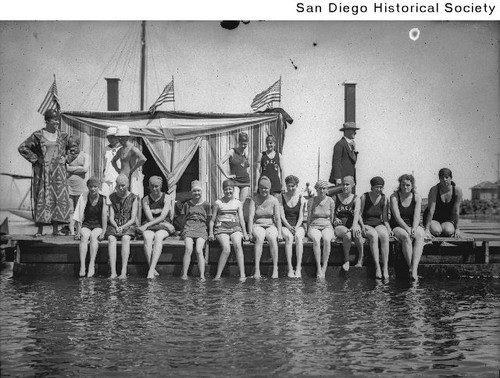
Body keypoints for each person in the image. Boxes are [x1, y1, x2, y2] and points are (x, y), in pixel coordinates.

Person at [18, 109, 72, 237]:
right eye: (54, 120)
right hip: (43, 173)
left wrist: (67, 158)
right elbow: (23, 148)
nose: (57, 122)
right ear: (47, 120)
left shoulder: (63, 136)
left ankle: (55, 230)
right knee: (42, 199)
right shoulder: (37, 135)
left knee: (57, 200)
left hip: (58, 174)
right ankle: (40, 231)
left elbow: (74, 148)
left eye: (58, 120)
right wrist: (36, 159)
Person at [209, 179, 248, 281]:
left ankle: (242, 274)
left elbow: (241, 219)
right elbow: (212, 220)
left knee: (238, 246)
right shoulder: (218, 203)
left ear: (233, 190)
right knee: (226, 249)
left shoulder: (238, 203)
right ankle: (218, 275)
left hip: (235, 227)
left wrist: (245, 233)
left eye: (230, 189)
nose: (228, 192)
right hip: (221, 228)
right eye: (226, 189)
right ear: (223, 190)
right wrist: (211, 233)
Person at [136, 176, 175, 279]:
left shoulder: (166, 197)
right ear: (149, 186)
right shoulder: (146, 199)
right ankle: (152, 269)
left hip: (159, 224)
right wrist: (165, 224)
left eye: (156, 186)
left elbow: (163, 216)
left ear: (161, 186)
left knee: (158, 236)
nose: (154, 189)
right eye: (152, 186)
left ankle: (151, 270)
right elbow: (150, 218)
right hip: (152, 224)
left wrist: (145, 226)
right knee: (147, 237)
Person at [390, 174, 426, 281]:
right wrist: (407, 228)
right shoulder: (394, 197)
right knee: (406, 236)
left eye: (408, 185)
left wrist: (414, 228)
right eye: (403, 185)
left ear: (412, 185)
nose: (405, 187)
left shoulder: (417, 197)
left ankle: (414, 269)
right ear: (400, 185)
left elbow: (416, 215)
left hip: (413, 224)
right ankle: (411, 268)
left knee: (419, 234)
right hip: (398, 225)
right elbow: (397, 217)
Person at [248, 176, 283, 279]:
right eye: (262, 187)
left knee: (272, 238)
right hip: (258, 224)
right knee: (260, 237)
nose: (264, 190)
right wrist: (250, 233)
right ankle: (257, 269)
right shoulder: (254, 200)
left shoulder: (274, 200)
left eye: (266, 188)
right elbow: (250, 218)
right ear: (259, 188)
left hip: (271, 225)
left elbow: (277, 218)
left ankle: (275, 268)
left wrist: (280, 233)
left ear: (269, 188)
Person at [73, 177, 107, 278]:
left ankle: (91, 264)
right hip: (87, 224)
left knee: (93, 236)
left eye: (95, 187)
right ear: (88, 187)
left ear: (98, 187)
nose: (93, 189)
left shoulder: (103, 198)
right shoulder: (84, 197)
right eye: (91, 187)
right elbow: (79, 215)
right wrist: (78, 232)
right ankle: (82, 266)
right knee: (84, 236)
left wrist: (103, 232)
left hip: (98, 225)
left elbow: (104, 216)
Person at [106, 174, 139, 279]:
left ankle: (123, 271)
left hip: (128, 224)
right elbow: (111, 217)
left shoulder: (134, 198)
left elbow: (133, 218)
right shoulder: (112, 197)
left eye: (123, 185)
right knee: (111, 239)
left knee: (125, 238)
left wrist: (123, 226)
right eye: (119, 185)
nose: (121, 188)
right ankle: (113, 271)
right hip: (115, 224)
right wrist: (116, 226)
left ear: (128, 184)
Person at [359, 176, 392, 280]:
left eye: (381, 187)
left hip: (378, 223)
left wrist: (389, 229)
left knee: (384, 235)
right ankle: (377, 267)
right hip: (365, 223)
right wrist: (362, 226)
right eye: (377, 187)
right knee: (373, 235)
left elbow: (385, 218)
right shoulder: (364, 197)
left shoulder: (384, 199)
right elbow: (359, 214)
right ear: (372, 187)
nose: (379, 189)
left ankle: (385, 267)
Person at [180, 180, 211, 280]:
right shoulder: (187, 204)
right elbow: (184, 219)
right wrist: (182, 231)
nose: (197, 193)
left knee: (198, 249)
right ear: (191, 192)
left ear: (201, 192)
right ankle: (184, 274)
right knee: (189, 248)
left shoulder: (206, 205)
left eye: (198, 191)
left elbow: (209, 220)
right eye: (194, 191)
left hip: (201, 228)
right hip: (189, 227)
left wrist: (210, 232)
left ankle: (202, 275)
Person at [333, 176, 364, 272]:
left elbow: (356, 212)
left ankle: (360, 258)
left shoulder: (356, 198)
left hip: (352, 223)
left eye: (347, 184)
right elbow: (331, 213)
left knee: (357, 234)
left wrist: (355, 225)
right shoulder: (335, 197)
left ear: (352, 186)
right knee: (348, 235)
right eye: (343, 184)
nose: (345, 187)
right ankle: (346, 260)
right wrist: (335, 218)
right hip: (340, 226)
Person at [307, 180, 336, 278]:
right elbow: (308, 217)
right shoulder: (311, 200)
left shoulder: (331, 201)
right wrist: (308, 229)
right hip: (314, 225)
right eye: (320, 188)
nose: (322, 191)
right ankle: (318, 268)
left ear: (327, 189)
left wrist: (332, 229)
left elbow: (332, 217)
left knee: (327, 239)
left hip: (327, 225)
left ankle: (324, 266)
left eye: (324, 188)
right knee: (316, 239)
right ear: (316, 189)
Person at [279, 175, 306, 278]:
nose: (290, 188)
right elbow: (281, 216)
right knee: (289, 238)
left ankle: (298, 267)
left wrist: (296, 227)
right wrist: (289, 227)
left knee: (298, 238)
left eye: (293, 186)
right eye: (288, 186)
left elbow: (301, 217)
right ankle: (290, 268)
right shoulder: (281, 197)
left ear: (297, 186)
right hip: (286, 225)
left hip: (298, 225)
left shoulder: (301, 198)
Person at [424, 168, 463, 238]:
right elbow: (431, 210)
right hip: (434, 218)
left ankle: (442, 229)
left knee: (448, 231)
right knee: (436, 231)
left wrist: (457, 228)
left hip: (447, 219)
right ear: (439, 179)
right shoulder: (434, 190)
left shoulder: (457, 190)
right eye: (442, 178)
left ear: (451, 178)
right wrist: (427, 229)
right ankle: (435, 229)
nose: (444, 179)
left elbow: (456, 211)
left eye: (447, 177)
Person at [111, 125, 147, 194]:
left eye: (122, 137)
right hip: (122, 176)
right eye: (119, 137)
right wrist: (118, 170)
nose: (120, 139)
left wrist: (133, 169)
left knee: (132, 197)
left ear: (127, 137)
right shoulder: (121, 149)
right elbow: (113, 161)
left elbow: (143, 158)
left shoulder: (132, 148)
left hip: (132, 176)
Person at [217, 132, 251, 203]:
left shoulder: (246, 154)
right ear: (238, 143)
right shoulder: (232, 151)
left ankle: (240, 215)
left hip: (245, 182)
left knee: (241, 204)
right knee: (235, 202)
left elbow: (247, 167)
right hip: (235, 182)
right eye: (242, 144)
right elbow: (219, 163)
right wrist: (227, 175)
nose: (243, 146)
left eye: (245, 144)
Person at [66, 137, 89, 236]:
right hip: (69, 185)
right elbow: (66, 168)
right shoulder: (67, 156)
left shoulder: (85, 155)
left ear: (79, 145)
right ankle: (72, 231)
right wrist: (78, 168)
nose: (73, 148)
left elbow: (85, 169)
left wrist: (71, 169)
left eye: (75, 145)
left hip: (80, 185)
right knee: (71, 210)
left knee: (80, 209)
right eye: (71, 146)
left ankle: (79, 231)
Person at [329, 122, 359, 193]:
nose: (355, 133)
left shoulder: (351, 145)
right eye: (353, 131)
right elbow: (336, 162)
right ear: (347, 131)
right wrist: (338, 178)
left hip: (350, 179)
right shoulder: (340, 144)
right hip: (342, 180)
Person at [102, 126, 120, 198]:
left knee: (116, 199)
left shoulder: (122, 148)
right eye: (109, 137)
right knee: (106, 199)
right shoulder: (105, 149)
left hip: (117, 178)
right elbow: (104, 164)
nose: (111, 139)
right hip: (107, 178)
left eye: (113, 137)